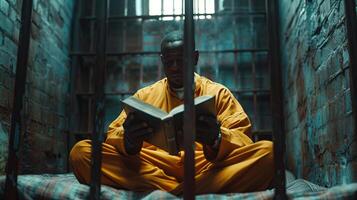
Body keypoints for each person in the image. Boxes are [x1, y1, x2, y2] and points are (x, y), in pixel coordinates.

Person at [69, 31, 274, 195]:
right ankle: (187, 191)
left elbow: (244, 138)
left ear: (194, 58)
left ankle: (169, 192)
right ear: (162, 61)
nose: (175, 68)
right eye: (169, 62)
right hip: (155, 167)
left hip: (203, 166)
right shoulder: (145, 95)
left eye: (181, 60)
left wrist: (217, 138)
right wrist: (129, 141)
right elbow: (114, 135)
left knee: (270, 153)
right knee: (81, 153)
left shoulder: (218, 93)